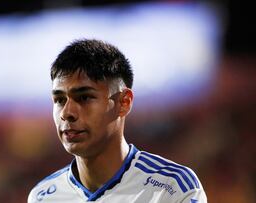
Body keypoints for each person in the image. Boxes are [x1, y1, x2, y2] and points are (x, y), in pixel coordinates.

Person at [28, 39, 207, 202]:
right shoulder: (41, 197)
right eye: (59, 100)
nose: (67, 113)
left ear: (124, 102)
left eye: (84, 97)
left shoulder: (172, 188)